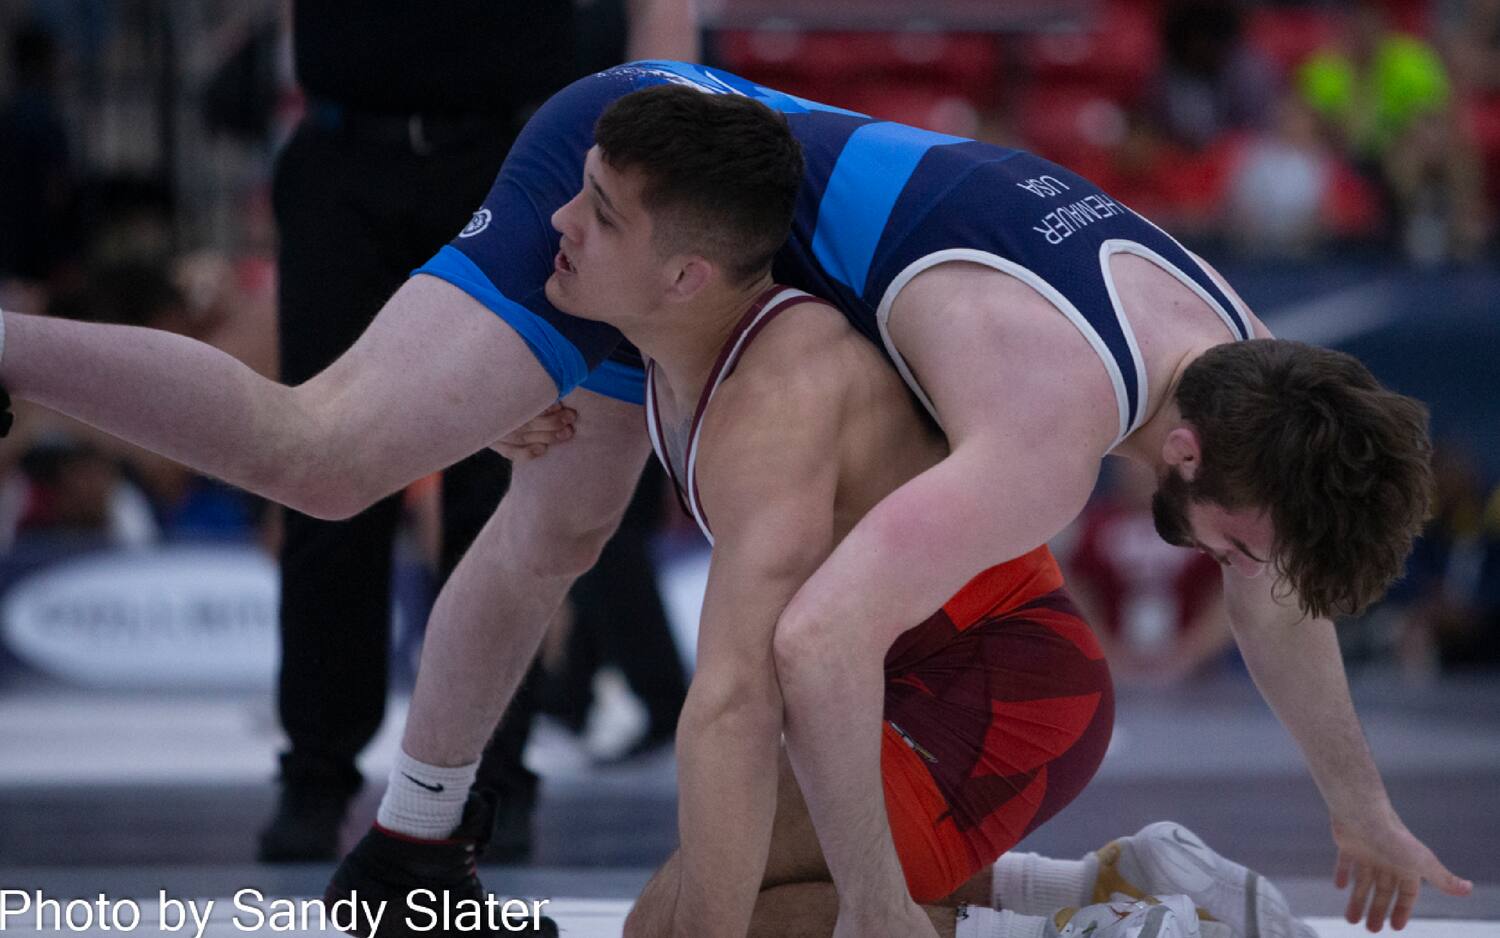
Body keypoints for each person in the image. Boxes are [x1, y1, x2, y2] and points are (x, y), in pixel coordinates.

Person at [0, 61, 1467, 937]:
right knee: (321, 457)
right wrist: (884, 918)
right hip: (673, 195)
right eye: (1235, 541)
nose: (1228, 569)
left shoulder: (1228, 349)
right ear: (1207, 461)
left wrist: (1362, 808)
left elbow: (1276, 574)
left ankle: (415, 841)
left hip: (719, 246)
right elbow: (811, 652)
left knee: (561, 528)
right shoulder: (1047, 424)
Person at [525, 86, 1309, 938]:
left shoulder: (777, 399)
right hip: (933, 670)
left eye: (599, 212)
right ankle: (1090, 891)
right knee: (728, 907)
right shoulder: (686, 339)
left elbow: (734, 703)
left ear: (686, 273)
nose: (559, 220)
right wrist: (505, 408)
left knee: (698, 926)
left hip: (993, 693)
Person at [257, 0, 699, 863]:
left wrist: (655, 128)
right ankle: (316, 771)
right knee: (317, 460)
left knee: (509, 477)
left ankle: (487, 780)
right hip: (341, 148)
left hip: (509, 158)